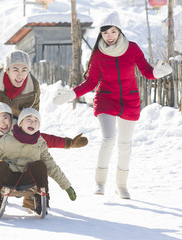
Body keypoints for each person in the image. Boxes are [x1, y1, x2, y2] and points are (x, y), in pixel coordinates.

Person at [53, 11, 172, 199]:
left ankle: (121, 185)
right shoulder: (99, 55)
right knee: (108, 139)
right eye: (105, 33)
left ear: (119, 32)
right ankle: (100, 183)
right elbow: (91, 83)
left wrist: (158, 72)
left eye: (113, 32)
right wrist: (70, 94)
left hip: (129, 100)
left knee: (125, 144)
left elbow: (147, 72)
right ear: (101, 34)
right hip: (106, 99)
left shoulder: (132, 49)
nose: (109, 36)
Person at [0, 99, 87, 212]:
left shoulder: (28, 128)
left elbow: (50, 152)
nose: (3, 123)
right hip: (5, 172)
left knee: (41, 165)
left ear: (13, 118)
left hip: (27, 173)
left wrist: (69, 143)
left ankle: (37, 199)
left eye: (5, 118)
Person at [0, 49, 39, 127]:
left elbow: (33, 115)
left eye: (24, 70)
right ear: (7, 70)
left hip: (19, 127)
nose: (20, 75)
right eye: (15, 70)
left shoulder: (33, 86)